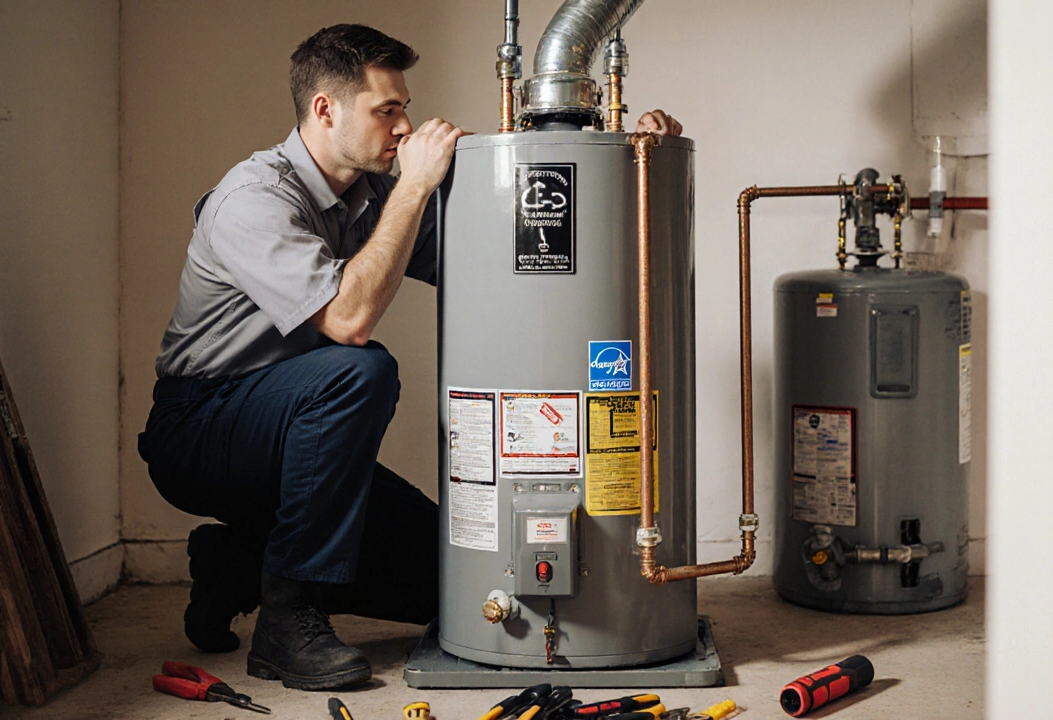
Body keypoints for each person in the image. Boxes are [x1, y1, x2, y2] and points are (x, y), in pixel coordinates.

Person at [138, 23, 681, 691]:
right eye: (386, 110)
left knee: (445, 581)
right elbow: (347, 319)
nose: (404, 128)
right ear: (325, 110)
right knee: (359, 371)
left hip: (296, 432)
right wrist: (416, 189)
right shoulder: (253, 199)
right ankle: (288, 622)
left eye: (405, 108)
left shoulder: (368, 200)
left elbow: (512, 262)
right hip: (202, 429)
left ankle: (236, 563)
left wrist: (633, 163)